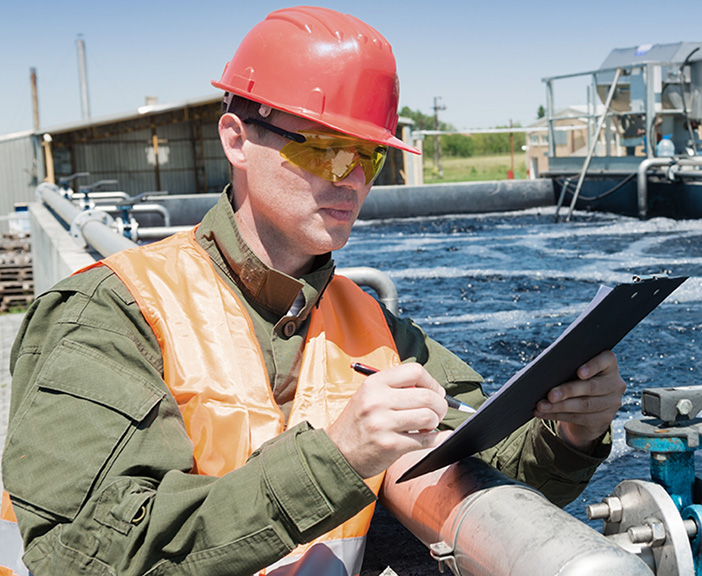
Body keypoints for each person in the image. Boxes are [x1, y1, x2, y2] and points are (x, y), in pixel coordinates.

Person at [1, 6, 625, 576]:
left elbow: (488, 456)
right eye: (328, 151)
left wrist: (572, 431)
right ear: (237, 140)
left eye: (370, 157)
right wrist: (338, 456)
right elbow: (92, 555)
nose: (352, 180)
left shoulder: (372, 324)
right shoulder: (107, 313)